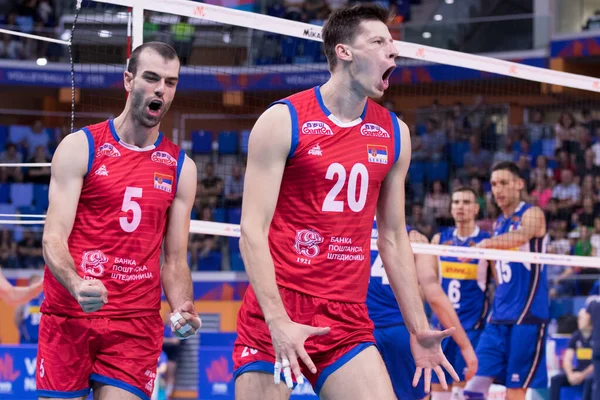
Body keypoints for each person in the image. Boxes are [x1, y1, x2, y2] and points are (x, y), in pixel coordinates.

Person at [232, 5, 458, 400]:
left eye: (392, 43)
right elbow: (252, 230)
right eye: (379, 42)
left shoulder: (394, 134)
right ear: (344, 52)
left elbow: (392, 238)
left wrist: (418, 328)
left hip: (346, 316)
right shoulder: (282, 121)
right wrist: (277, 320)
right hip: (278, 307)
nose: (393, 51)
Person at [37, 42, 201, 400]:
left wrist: (182, 305)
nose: (161, 89)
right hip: (70, 316)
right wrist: (78, 284)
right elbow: (53, 238)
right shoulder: (81, 147)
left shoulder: (181, 168)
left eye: (170, 82)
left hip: (135, 323)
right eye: (151, 78)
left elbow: (174, 260)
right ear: (128, 81)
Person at [464, 161, 549, 400]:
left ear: (519, 184)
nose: (497, 190)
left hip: (527, 316)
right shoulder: (498, 224)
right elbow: (496, 269)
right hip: (498, 315)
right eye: (493, 184)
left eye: (503, 183)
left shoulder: (532, 214)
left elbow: (521, 235)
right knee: (473, 388)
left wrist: (485, 244)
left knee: (514, 392)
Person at [367, 222, 478, 400]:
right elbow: (433, 295)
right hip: (402, 331)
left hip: (360, 331)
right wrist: (465, 346)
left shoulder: (353, 232)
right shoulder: (415, 239)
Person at [429, 186, 491, 399]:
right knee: (438, 392)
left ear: (475, 209)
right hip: (441, 328)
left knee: (464, 390)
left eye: (465, 203)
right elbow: (428, 286)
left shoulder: (486, 242)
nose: (460, 207)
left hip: (472, 328)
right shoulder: (439, 240)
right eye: (456, 202)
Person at [549, 308, 594, 400]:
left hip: (592, 373)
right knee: (555, 379)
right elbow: (567, 358)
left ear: (590, 319)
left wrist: (582, 375)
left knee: (589, 380)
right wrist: (570, 374)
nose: (578, 321)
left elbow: (597, 363)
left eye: (582, 318)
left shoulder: (597, 336)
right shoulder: (576, 335)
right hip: (578, 372)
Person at [15, 274, 44, 344]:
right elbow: (16, 320)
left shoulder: (46, 300)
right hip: (27, 341)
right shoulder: (24, 301)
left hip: (43, 341)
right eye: (35, 285)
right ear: (30, 286)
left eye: (39, 286)